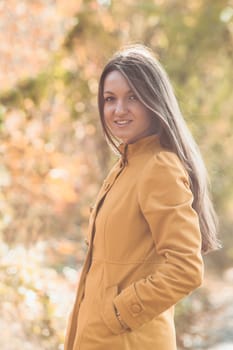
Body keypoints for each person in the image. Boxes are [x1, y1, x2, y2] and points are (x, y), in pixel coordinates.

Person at [64, 44, 220, 350]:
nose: (118, 109)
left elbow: (185, 268)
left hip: (128, 341)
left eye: (132, 96)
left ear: (153, 101)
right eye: (110, 99)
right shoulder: (124, 167)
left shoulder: (158, 167)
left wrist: (118, 314)